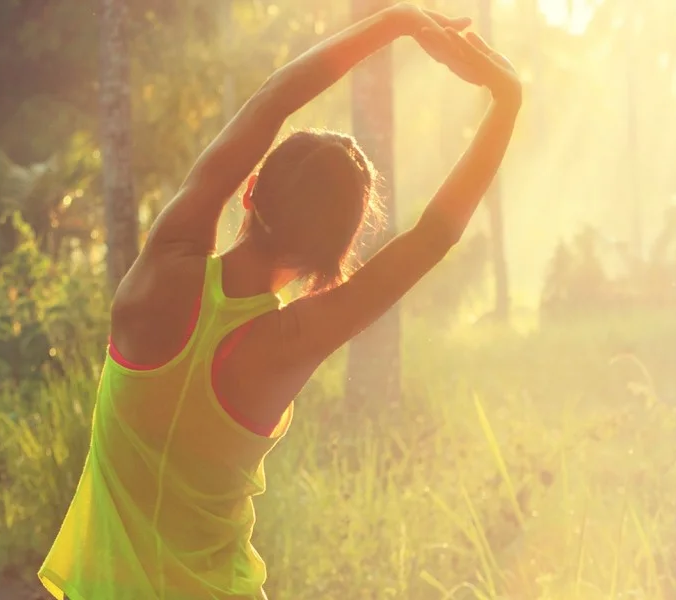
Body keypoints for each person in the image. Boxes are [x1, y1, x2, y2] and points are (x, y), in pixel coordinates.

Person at [37, 5, 520, 598]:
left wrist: (396, 21)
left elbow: (272, 101)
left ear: (250, 189)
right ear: (333, 256)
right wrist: (507, 100)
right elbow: (433, 236)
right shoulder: (287, 345)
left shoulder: (162, 270)